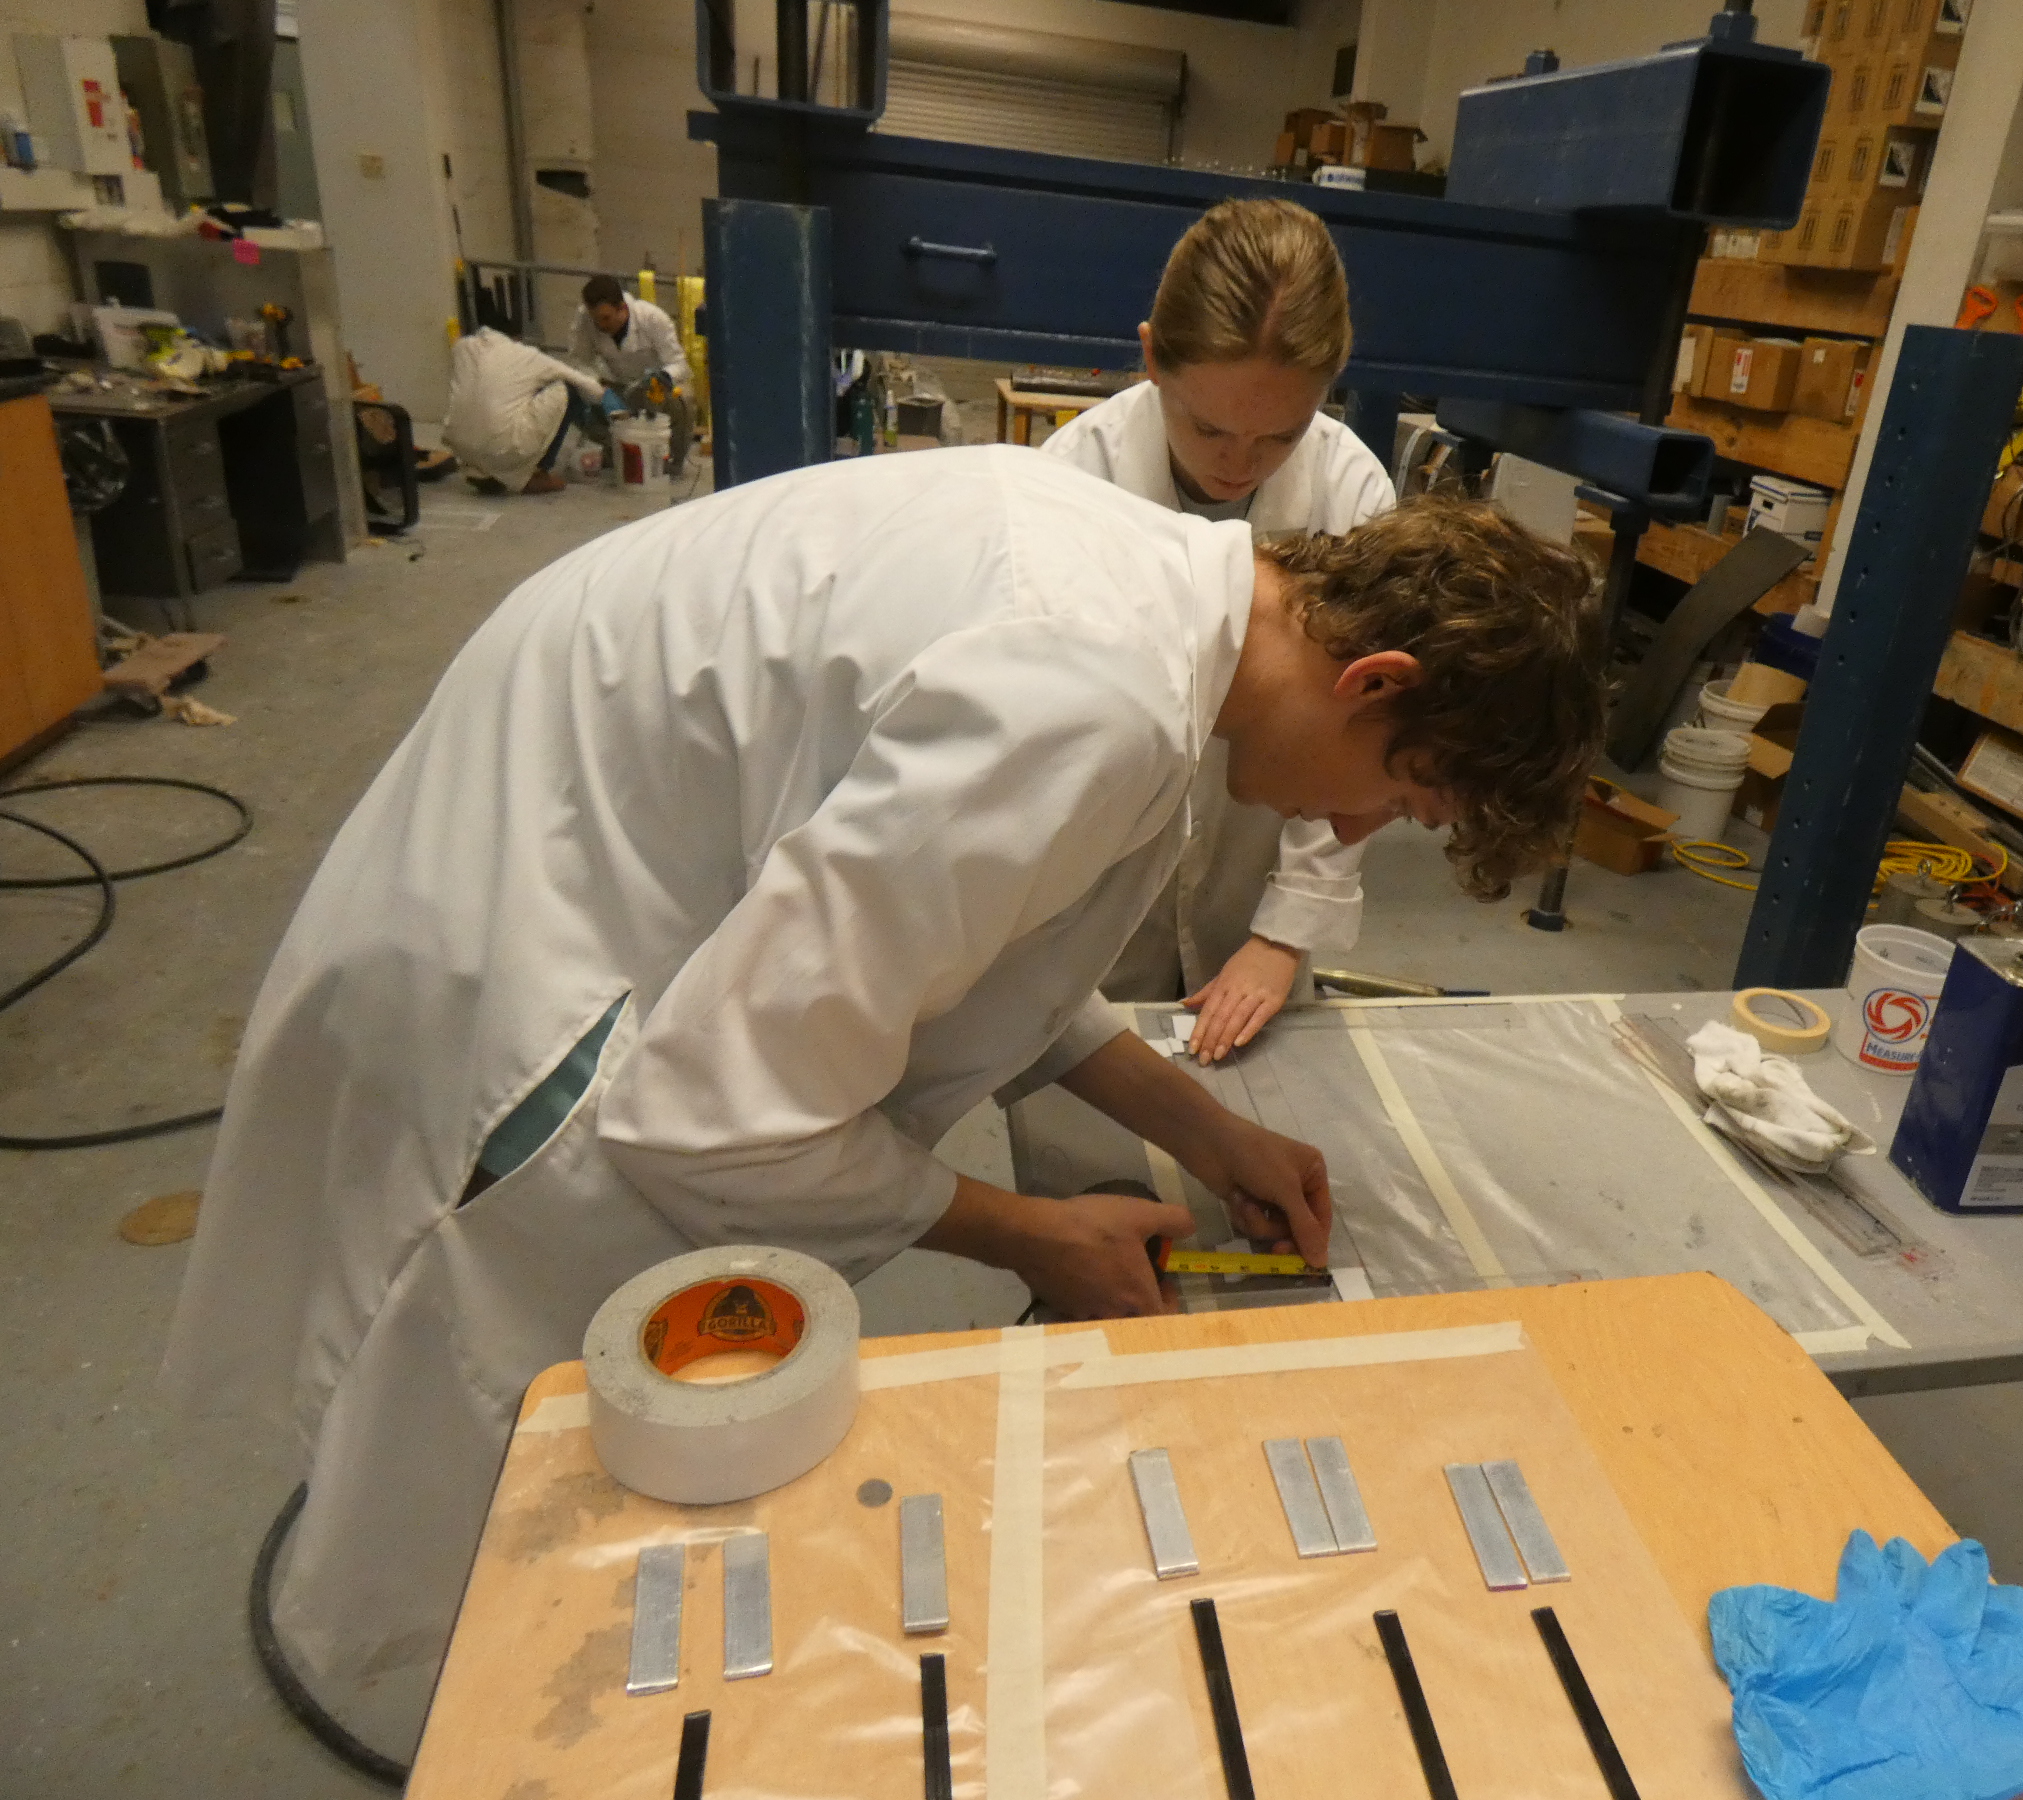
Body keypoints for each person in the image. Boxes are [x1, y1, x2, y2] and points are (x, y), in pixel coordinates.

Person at [163, 444, 1600, 1757]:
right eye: (1397, 795)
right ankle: (445, 1710)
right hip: (532, 967)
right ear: (1375, 681)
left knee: (541, 1408)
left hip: (572, 850)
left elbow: (979, 951)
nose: (1349, 830)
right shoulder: (1093, 695)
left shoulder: (1166, 608)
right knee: (510, 1408)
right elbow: (719, 1114)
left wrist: (1200, 1124)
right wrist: (1036, 1233)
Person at [1045, 198, 1394, 1065]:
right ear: (1153, 356)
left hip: (1255, 900)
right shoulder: (1069, 488)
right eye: (1207, 426)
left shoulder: (1354, 499)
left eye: (1280, 435)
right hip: (1091, 909)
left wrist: (1285, 934)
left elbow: (1361, 743)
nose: (1237, 464)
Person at [442, 321, 620, 496]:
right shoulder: (525, 354)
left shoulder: (461, 348)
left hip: (460, 446)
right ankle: (539, 473)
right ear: (516, 339)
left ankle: (483, 471)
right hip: (503, 445)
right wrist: (607, 398)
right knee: (569, 388)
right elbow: (581, 381)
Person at [569, 272, 695, 476]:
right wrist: (599, 390)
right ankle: (618, 451)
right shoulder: (586, 319)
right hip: (615, 388)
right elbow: (578, 362)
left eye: (606, 318)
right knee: (569, 393)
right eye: (596, 320)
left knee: (682, 400)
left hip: (653, 390)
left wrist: (662, 376)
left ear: (622, 308)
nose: (601, 326)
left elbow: (679, 364)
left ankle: (671, 462)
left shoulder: (653, 318)